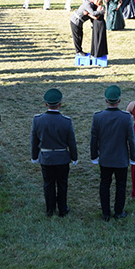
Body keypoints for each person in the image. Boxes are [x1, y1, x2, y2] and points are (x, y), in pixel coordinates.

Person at [90, 85, 135, 221]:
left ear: (106, 100)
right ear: (119, 100)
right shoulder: (126, 117)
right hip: (121, 158)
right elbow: (131, 139)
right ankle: (118, 211)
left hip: (105, 158)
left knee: (104, 184)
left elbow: (94, 139)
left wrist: (94, 156)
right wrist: (133, 157)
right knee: (121, 185)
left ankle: (106, 213)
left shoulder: (98, 117)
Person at [31, 88, 78, 217]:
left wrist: (34, 156)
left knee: (48, 184)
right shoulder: (66, 121)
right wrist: (74, 157)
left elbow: (34, 140)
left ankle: (50, 209)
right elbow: (71, 142)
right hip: (62, 158)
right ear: (60, 104)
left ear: (46, 104)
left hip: (46, 158)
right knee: (62, 184)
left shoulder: (37, 120)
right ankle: (62, 209)